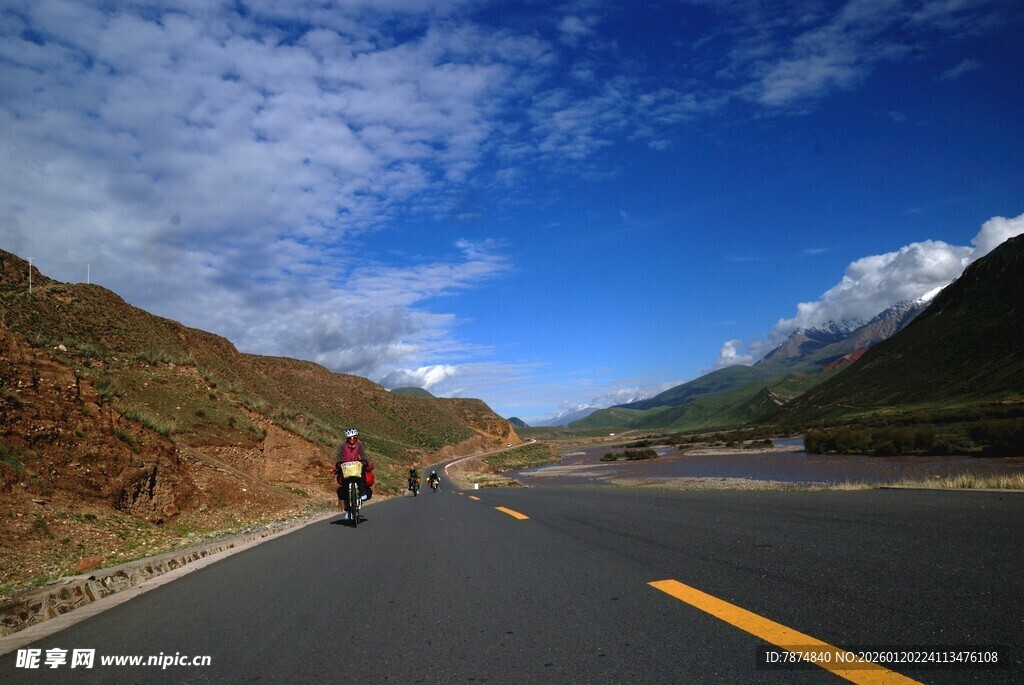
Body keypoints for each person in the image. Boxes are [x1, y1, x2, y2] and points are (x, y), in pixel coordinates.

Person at [333, 428, 370, 520]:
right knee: (345, 487)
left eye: (354, 438)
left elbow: (363, 455)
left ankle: (362, 493)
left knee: (362, 477)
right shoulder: (342, 446)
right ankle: (348, 510)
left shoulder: (359, 445)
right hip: (346, 468)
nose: (352, 440)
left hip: (356, 467)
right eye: (350, 438)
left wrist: (364, 461)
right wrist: (338, 463)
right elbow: (338, 457)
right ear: (347, 439)